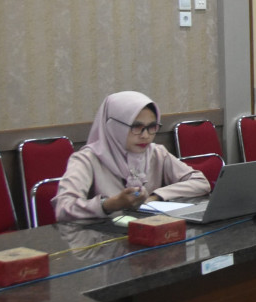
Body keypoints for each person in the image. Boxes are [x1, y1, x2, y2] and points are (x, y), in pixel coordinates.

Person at [54, 91, 210, 221]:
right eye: (136, 127)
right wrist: (109, 204)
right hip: (102, 243)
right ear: (112, 126)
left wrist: (155, 197)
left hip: (151, 233)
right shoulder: (87, 159)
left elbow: (200, 182)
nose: (145, 136)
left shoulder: (156, 153)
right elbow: (63, 208)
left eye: (152, 127)